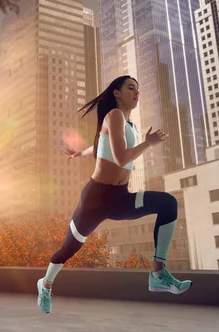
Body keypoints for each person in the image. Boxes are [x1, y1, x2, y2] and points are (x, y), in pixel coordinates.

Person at [37, 75, 192, 314]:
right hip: (95, 200)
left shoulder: (132, 126)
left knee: (168, 204)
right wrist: (149, 143)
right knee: (68, 249)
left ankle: (158, 274)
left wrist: (79, 154)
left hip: (121, 199)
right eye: (131, 88)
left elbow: (101, 143)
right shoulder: (115, 115)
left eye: (138, 90)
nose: (136, 92)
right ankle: (45, 284)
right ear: (116, 93)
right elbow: (120, 158)